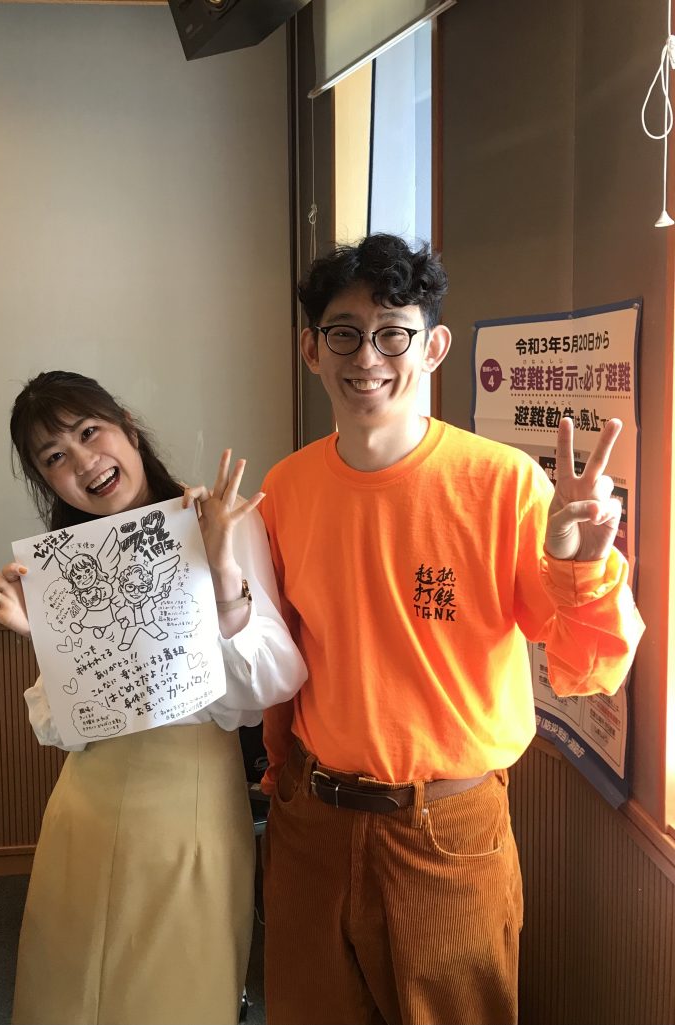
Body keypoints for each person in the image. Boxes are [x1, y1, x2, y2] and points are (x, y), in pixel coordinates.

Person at [258, 234, 645, 1025]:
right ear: (311, 348)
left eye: (393, 332)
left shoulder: (502, 484)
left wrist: (582, 567)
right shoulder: (286, 488)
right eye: (344, 332)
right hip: (312, 819)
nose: (368, 356)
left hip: (446, 830)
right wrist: (280, 775)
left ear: (433, 348)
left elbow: (588, 669)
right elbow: (284, 655)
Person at [0, 370, 307, 1025]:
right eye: (54, 457)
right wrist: (42, 635)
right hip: (85, 806)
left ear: (127, 427)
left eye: (89, 432)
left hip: (190, 804)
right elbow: (62, 729)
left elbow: (271, 684)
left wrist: (222, 571)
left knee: (174, 996)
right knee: (66, 996)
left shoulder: (217, 519)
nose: (83, 461)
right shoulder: (65, 565)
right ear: (45, 481)